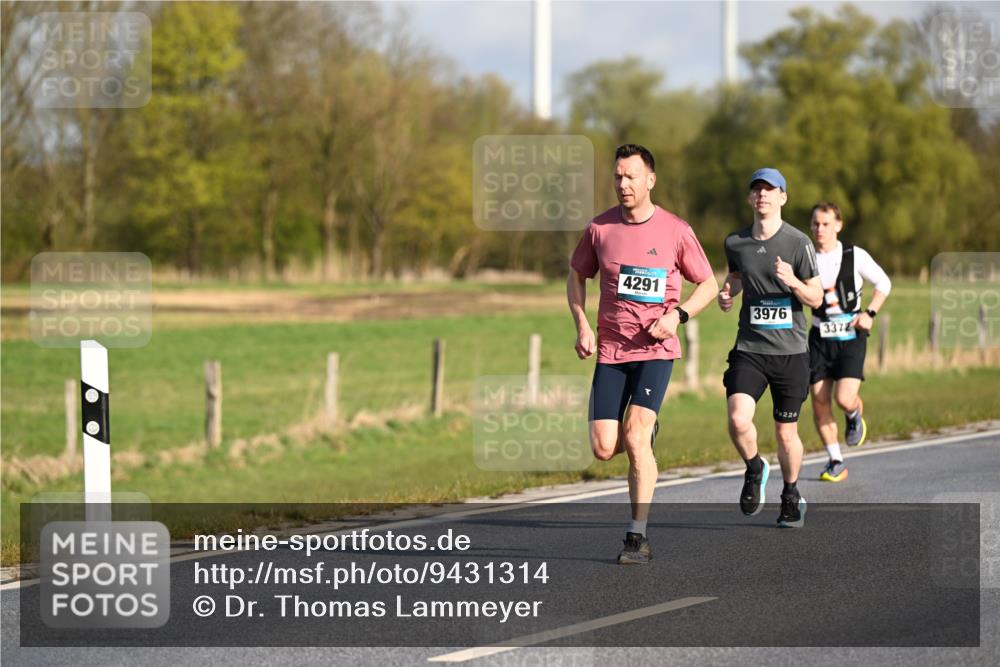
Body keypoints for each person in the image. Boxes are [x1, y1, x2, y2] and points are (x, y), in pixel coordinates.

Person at [568, 144, 718, 564]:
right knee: (603, 446)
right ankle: (644, 438)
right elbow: (577, 276)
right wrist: (582, 323)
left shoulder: (675, 230)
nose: (623, 184)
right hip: (612, 350)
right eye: (617, 176)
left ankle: (637, 536)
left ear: (650, 180)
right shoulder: (600, 229)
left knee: (634, 435)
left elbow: (707, 283)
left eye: (631, 176)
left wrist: (678, 316)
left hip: (656, 349)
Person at [718, 168, 822, 528]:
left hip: (791, 353)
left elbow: (816, 296)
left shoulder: (798, 243)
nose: (762, 195)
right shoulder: (735, 242)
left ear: (783, 197)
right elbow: (735, 277)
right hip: (750, 348)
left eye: (770, 190)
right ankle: (754, 467)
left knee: (785, 433)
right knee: (737, 418)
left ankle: (791, 494)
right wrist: (727, 293)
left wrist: (792, 280)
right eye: (757, 190)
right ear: (750, 198)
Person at [808, 202, 892, 482]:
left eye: (826, 224)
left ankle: (854, 413)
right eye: (816, 224)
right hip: (819, 337)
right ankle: (836, 460)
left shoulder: (854, 255)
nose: (820, 229)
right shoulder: (805, 256)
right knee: (819, 401)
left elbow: (884, 283)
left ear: (838, 225)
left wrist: (870, 313)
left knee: (843, 398)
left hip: (851, 336)